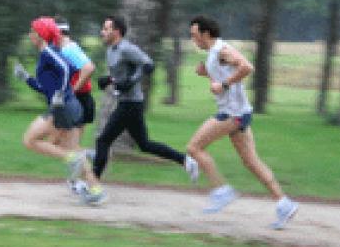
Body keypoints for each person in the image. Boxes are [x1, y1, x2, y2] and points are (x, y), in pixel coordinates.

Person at [187, 15, 298, 229]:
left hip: (232, 114)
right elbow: (221, 81)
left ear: (205, 33)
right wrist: (208, 75)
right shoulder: (214, 53)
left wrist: (224, 84)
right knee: (251, 162)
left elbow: (247, 67)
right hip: (240, 112)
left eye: (194, 35)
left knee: (194, 147)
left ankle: (221, 191)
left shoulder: (221, 50)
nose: (193, 39)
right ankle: (284, 204)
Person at [91, 15, 199, 183]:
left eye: (106, 28)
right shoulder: (111, 50)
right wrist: (109, 80)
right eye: (103, 28)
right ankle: (186, 161)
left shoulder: (127, 48)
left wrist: (131, 82)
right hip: (128, 103)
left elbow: (148, 64)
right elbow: (121, 76)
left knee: (103, 140)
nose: (102, 32)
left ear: (117, 31)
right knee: (144, 144)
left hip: (130, 104)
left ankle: (92, 184)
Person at [14, 16, 105, 204]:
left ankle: (73, 157)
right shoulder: (49, 52)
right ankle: (96, 190)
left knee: (30, 140)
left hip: (61, 108)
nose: (30, 34)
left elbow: (65, 69)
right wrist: (26, 78)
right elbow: (45, 87)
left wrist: (60, 94)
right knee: (72, 149)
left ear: (40, 35)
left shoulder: (48, 52)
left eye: (33, 31)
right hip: (69, 106)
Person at [55, 19, 97, 195]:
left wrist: (72, 89)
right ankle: (77, 177)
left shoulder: (68, 49)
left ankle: (82, 176)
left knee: (64, 144)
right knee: (64, 143)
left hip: (78, 100)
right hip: (82, 100)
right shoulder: (69, 47)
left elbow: (89, 68)